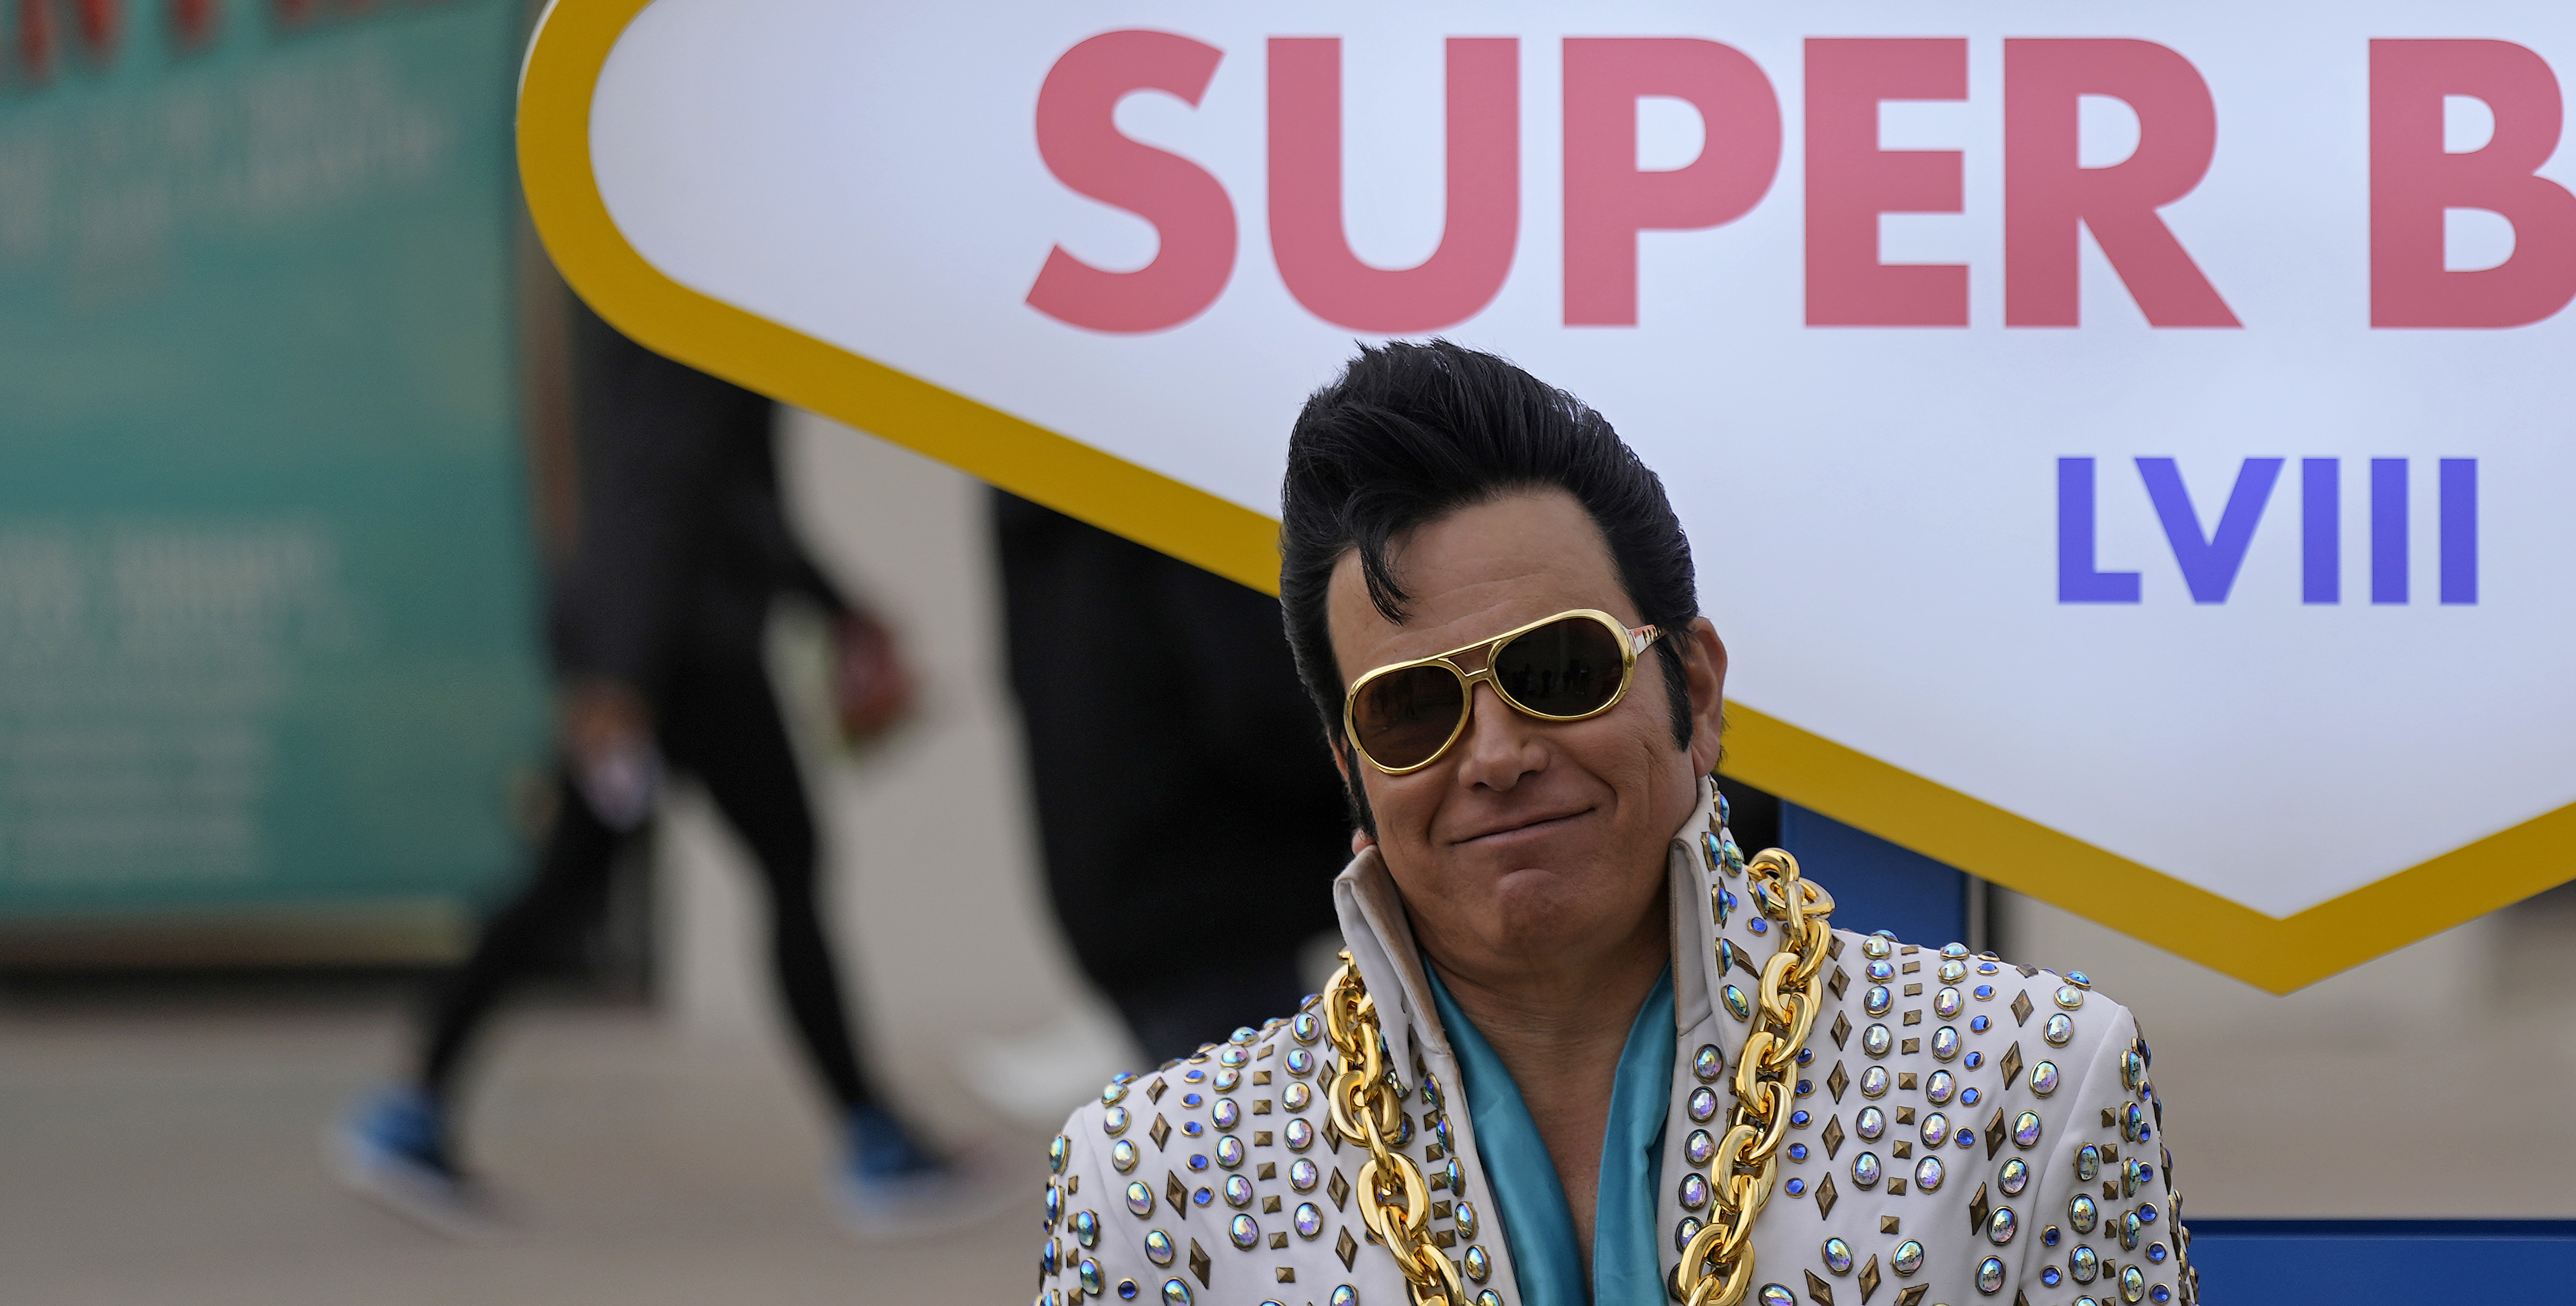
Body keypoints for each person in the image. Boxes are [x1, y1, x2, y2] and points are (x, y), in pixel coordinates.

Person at [1033, 339, 2191, 1306]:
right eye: (1412, 707)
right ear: (1355, 771)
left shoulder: (2024, 1081)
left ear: (1693, 690)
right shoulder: (1153, 1186)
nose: (1494, 754)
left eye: (1558, 667)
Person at [329, 320, 1001, 1239]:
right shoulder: (694, 303)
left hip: (657, 642)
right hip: (685, 651)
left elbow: (712, 497)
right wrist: (623, 675)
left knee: (577, 881)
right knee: (782, 869)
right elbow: (674, 487)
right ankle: (875, 1141)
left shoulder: (671, 292)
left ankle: (411, 1107)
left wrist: (831, 608)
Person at [993, 491, 1356, 1063]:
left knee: (1211, 1135)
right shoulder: (1160, 488)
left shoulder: (1028, 477)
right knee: (1273, 1135)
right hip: (1216, 893)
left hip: (1113, 893)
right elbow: (1258, 701)